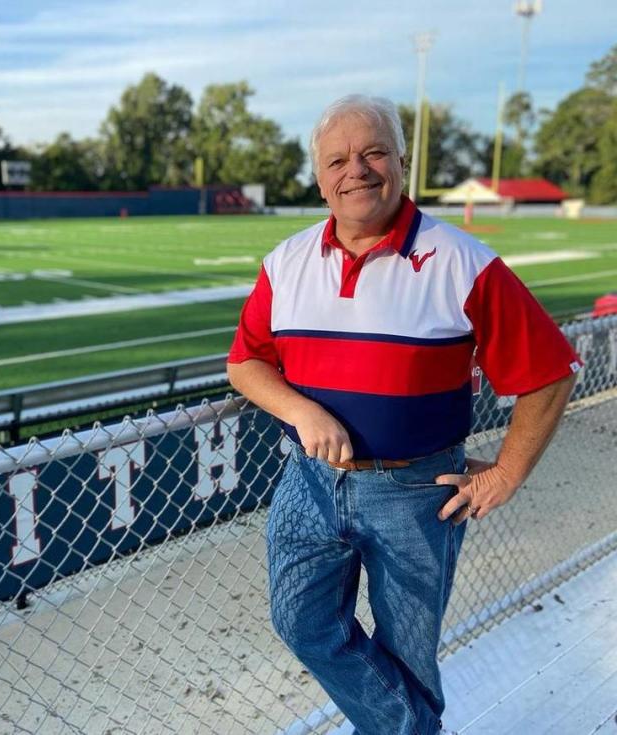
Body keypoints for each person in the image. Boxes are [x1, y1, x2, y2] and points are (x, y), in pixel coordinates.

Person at [226, 94, 579, 735]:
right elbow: (245, 362)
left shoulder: (464, 262)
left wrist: (506, 473)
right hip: (308, 480)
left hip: (417, 491)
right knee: (299, 621)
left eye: (373, 153)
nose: (355, 170)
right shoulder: (286, 262)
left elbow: (549, 374)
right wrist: (302, 412)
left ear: (401, 161)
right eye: (338, 160)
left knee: (409, 654)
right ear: (320, 178)